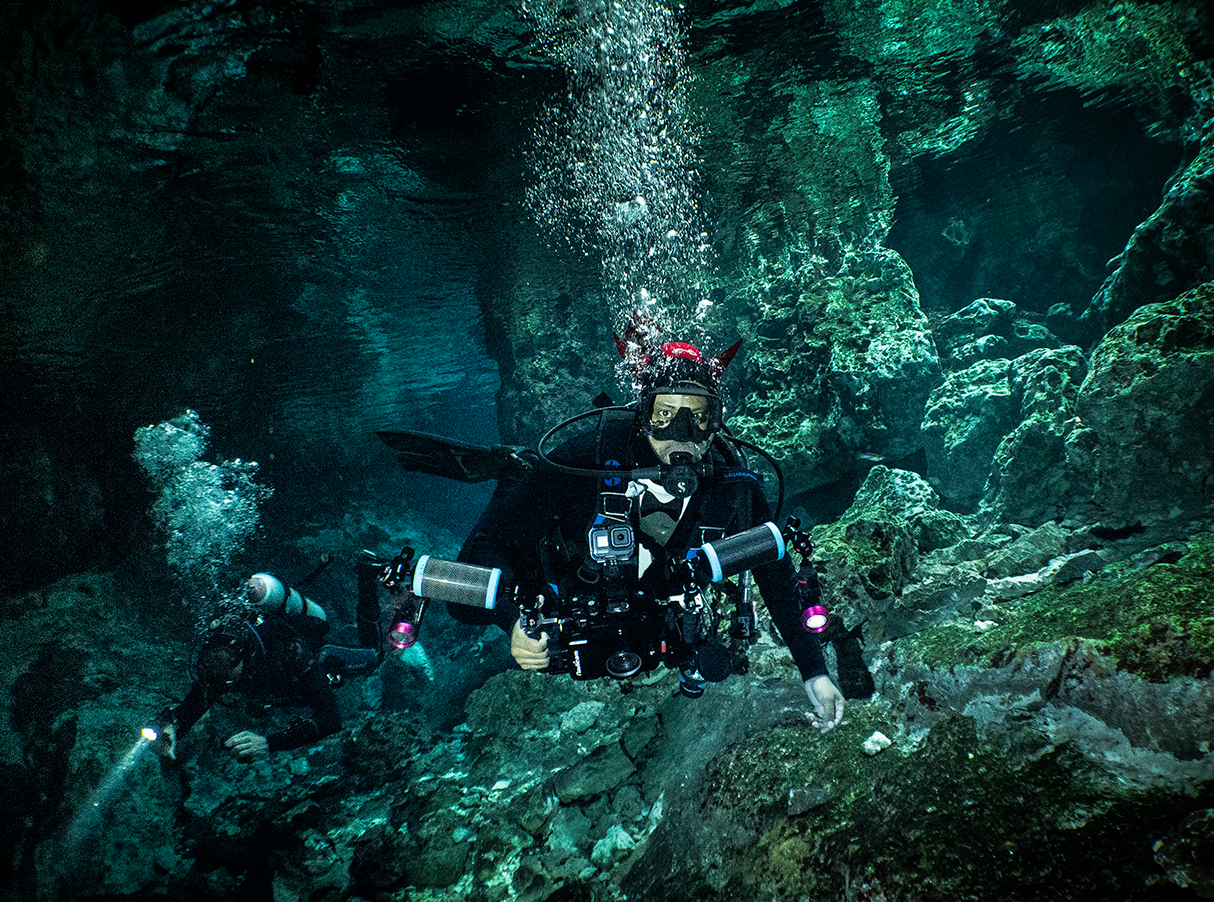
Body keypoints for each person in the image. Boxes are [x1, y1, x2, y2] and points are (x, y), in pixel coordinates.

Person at [452, 333, 845, 732]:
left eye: (700, 416)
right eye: (664, 414)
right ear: (642, 414)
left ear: (716, 423)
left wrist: (815, 672)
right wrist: (513, 619)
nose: (682, 432)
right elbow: (483, 547)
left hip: (654, 621)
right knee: (462, 605)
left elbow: (775, 577)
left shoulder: (733, 487)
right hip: (568, 598)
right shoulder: (577, 465)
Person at [150, 573, 382, 761]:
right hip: (271, 673)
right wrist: (173, 728)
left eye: (228, 682)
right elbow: (194, 704)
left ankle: (368, 577)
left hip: (315, 654)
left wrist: (269, 743)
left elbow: (330, 719)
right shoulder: (220, 663)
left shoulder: (291, 653)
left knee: (374, 657)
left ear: (244, 660)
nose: (222, 687)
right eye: (219, 682)